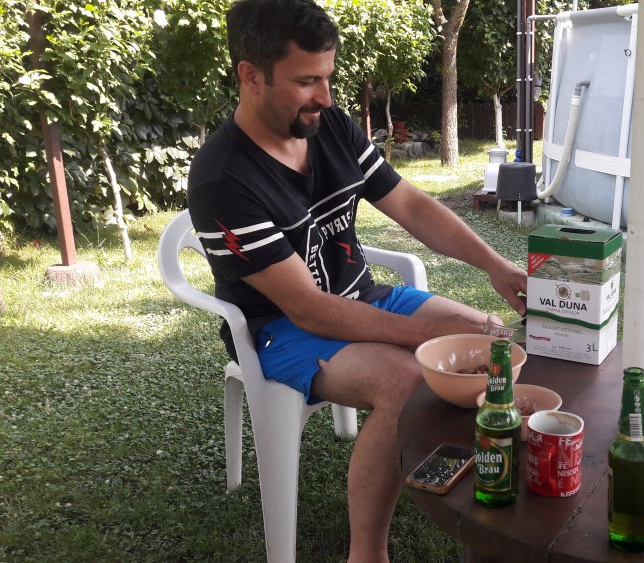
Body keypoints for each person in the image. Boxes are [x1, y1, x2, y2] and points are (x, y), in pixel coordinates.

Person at [186, 0, 527, 560]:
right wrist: (428, 339)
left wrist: (496, 265)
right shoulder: (222, 179)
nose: (325, 96)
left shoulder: (332, 127)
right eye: (306, 81)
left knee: (498, 349)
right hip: (282, 330)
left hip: (365, 296)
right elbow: (310, 310)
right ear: (251, 75)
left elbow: (410, 205)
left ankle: (489, 493)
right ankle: (366, 553)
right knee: (410, 381)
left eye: (328, 77)